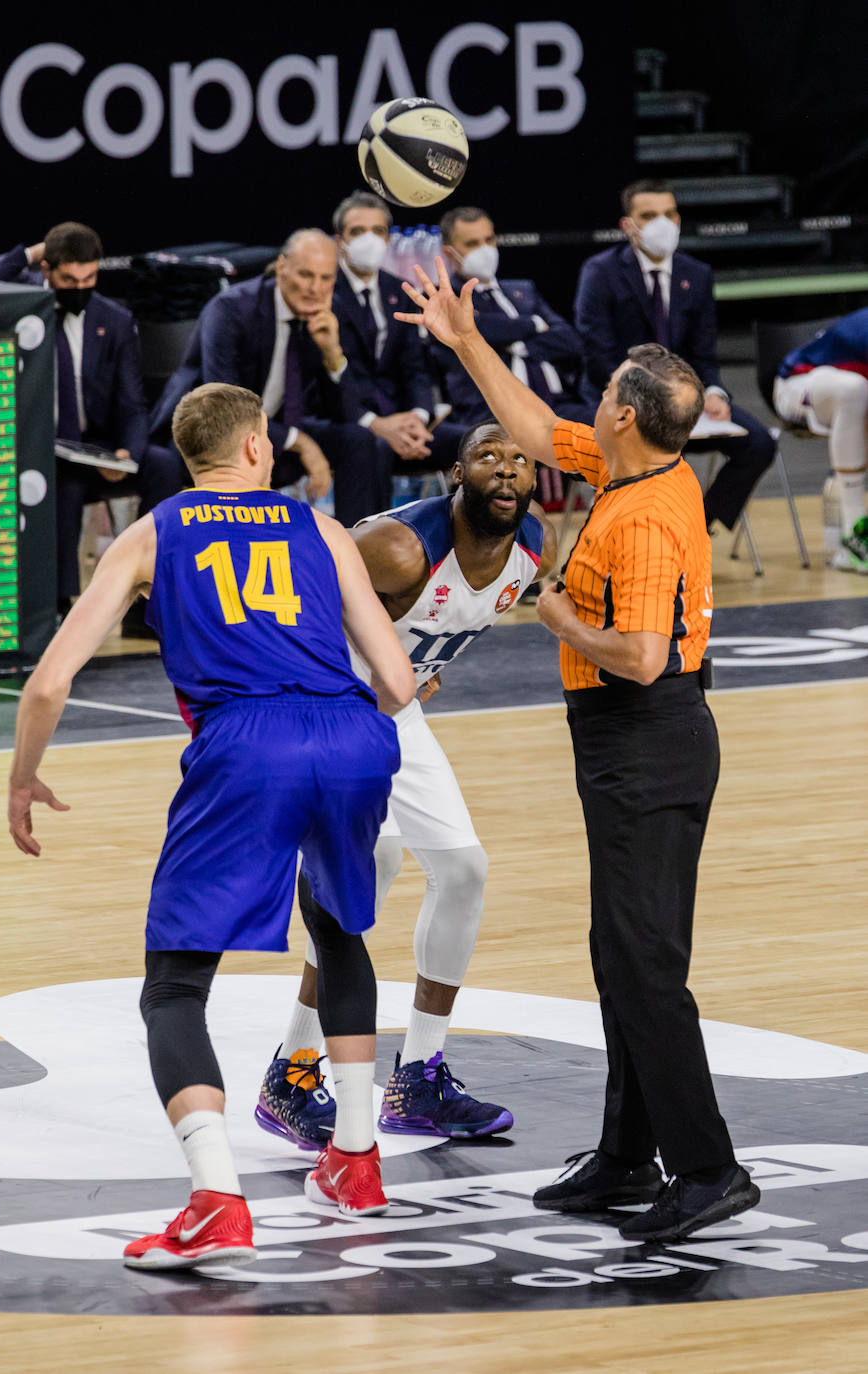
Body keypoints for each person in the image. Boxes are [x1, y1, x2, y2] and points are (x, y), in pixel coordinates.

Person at [7, 382, 416, 1268]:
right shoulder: (321, 529)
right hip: (352, 735)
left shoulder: (153, 534)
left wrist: (23, 776)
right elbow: (397, 680)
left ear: (190, 456)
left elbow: (47, 683)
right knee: (338, 930)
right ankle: (355, 1163)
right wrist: (345, 732)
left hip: (246, 742)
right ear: (259, 447)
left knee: (173, 987)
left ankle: (216, 1203)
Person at [397, 258, 760, 1242]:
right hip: (634, 743)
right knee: (620, 954)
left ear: (626, 416)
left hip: (647, 737)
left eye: (604, 394)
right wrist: (465, 339)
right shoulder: (634, 465)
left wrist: (553, 612)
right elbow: (529, 428)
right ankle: (627, 1156)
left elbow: (639, 658)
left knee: (645, 963)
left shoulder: (641, 519)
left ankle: (708, 1169)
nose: (590, 402)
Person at [255, 420, 558, 1149]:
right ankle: (291, 1072)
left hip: (394, 709)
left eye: (519, 459)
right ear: (456, 474)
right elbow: (285, 599)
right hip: (327, 707)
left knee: (464, 870)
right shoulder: (396, 548)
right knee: (376, 862)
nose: (506, 469)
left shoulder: (534, 549)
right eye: (488, 455)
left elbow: (440, 626)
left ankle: (418, 1077)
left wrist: (416, 669)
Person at [0, 222, 185, 616]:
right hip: (39, 449)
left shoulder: (114, 320)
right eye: (69, 279)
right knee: (64, 484)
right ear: (47, 270)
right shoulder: (23, 300)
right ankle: (59, 606)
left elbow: (132, 402)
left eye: (89, 278)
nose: (80, 288)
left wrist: (127, 453)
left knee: (165, 467)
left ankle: (146, 601)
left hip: (96, 446)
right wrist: (32, 252)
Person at [149, 229, 393, 526]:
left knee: (362, 442)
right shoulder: (232, 309)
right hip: (210, 435)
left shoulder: (329, 312)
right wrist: (301, 442)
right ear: (281, 267)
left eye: (325, 278)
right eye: (305, 275)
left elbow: (344, 414)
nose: (315, 288)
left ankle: (356, 546)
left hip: (275, 433)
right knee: (244, 435)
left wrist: (332, 355)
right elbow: (226, 409)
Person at [574, 180, 776, 533]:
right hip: (620, 399)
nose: (662, 224)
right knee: (645, 451)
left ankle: (694, 526)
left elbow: (704, 353)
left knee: (759, 443)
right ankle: (637, 531)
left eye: (669, 214)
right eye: (648, 216)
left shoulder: (696, 274)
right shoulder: (601, 272)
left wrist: (713, 392)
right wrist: (651, 401)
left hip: (683, 401)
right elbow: (598, 356)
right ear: (628, 225)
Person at [332, 189, 466, 471]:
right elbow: (331, 376)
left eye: (377, 231)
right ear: (339, 242)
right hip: (349, 419)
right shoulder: (324, 292)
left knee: (470, 442)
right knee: (373, 447)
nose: (369, 239)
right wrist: (376, 424)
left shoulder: (399, 290)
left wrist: (418, 417)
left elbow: (415, 366)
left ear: (388, 239)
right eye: (357, 231)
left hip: (405, 420)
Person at [434, 205, 595, 428]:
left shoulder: (524, 290)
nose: (485, 249)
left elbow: (570, 340)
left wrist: (519, 346)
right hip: (492, 411)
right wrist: (533, 324)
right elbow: (478, 328)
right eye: (472, 244)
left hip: (555, 403)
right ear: (448, 251)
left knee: (610, 426)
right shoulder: (444, 298)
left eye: (489, 240)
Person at [773, 311, 868, 571]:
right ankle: (854, 534)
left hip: (851, 393)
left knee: (857, 391)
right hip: (797, 385)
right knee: (853, 389)